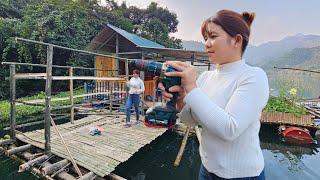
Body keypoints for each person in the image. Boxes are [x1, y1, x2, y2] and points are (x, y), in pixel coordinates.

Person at [159, 10, 269, 180]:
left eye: (212, 36)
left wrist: (192, 88)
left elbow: (229, 129)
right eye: (205, 38)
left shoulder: (253, 76)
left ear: (237, 40)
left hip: (242, 175)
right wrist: (180, 99)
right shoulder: (206, 77)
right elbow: (190, 120)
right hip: (207, 168)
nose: (207, 44)